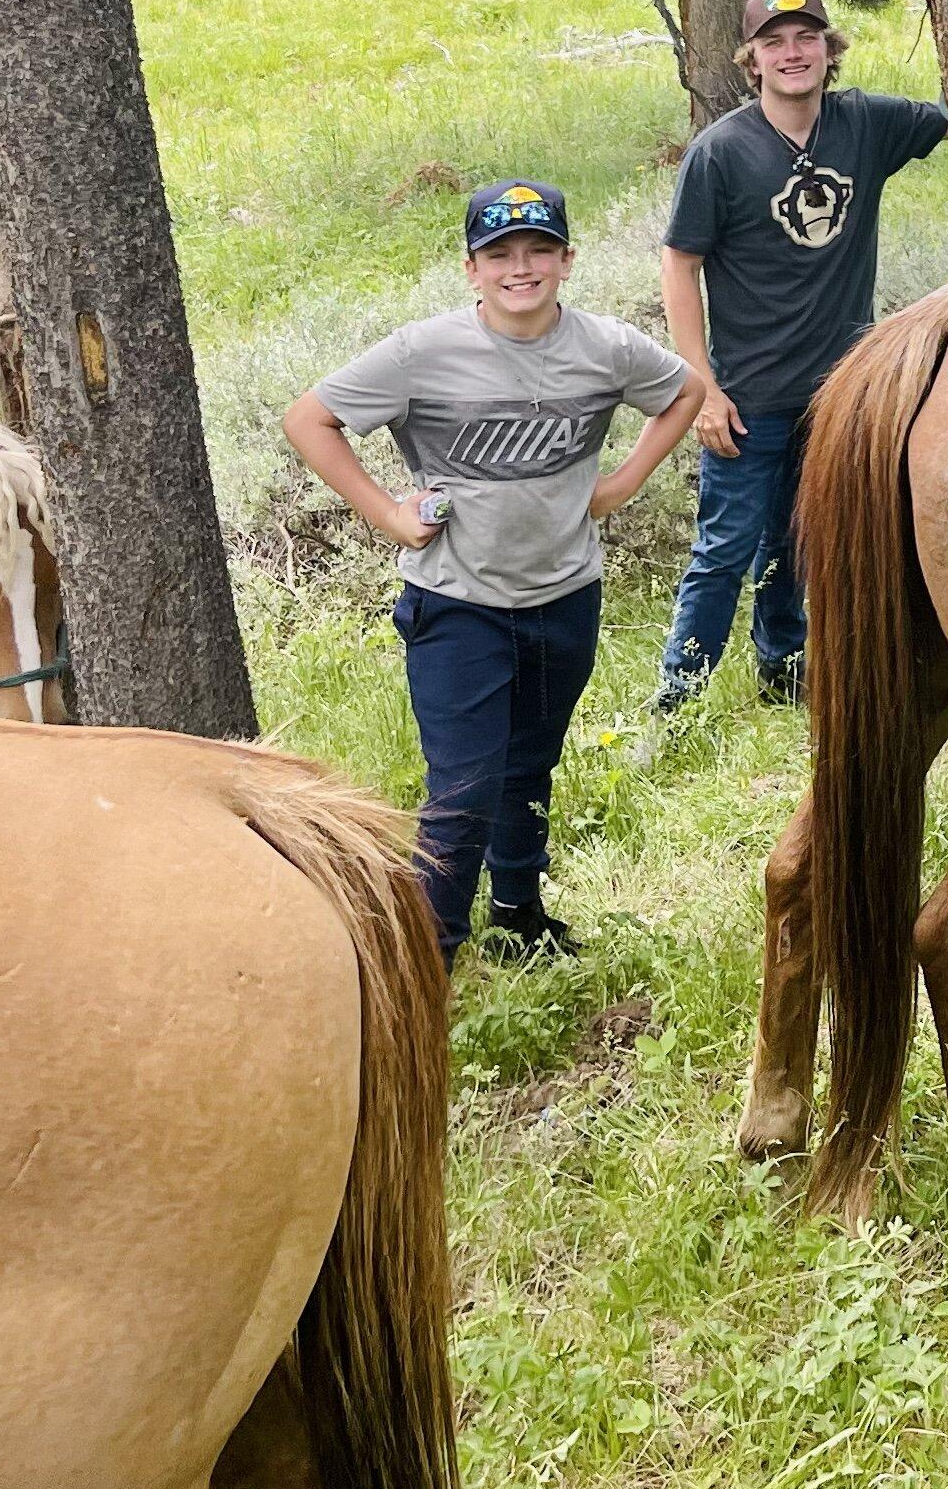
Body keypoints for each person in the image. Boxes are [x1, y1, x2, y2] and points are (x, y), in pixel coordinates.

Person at [283, 180, 704, 961]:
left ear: (567, 261)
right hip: (457, 602)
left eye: (539, 250)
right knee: (465, 788)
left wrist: (621, 483)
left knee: (530, 765)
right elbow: (310, 419)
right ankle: (427, 956)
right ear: (471, 268)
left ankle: (519, 915)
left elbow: (685, 391)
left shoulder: (605, 348)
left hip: (565, 595)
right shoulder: (423, 352)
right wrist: (387, 515)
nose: (521, 268)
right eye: (499, 254)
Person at [652, 0, 948, 713]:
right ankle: (678, 696)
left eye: (807, 38)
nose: (792, 54)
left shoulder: (867, 126)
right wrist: (702, 387)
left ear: (830, 50)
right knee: (725, 550)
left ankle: (782, 664)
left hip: (840, 392)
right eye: (774, 42)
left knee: (801, 539)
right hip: (749, 397)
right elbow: (679, 263)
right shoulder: (720, 153)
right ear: (751, 60)